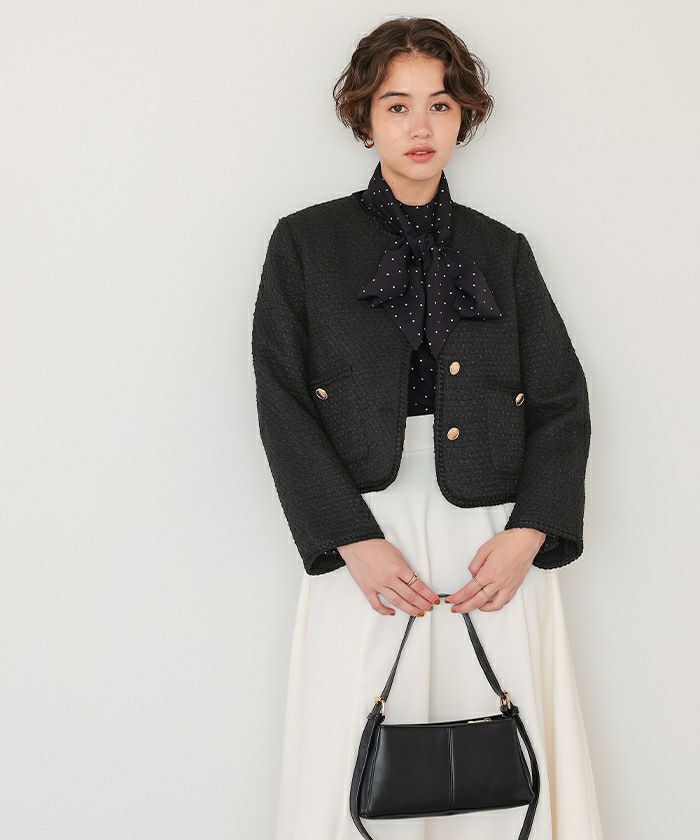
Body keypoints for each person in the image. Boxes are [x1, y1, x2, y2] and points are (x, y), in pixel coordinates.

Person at [251, 16, 605, 840]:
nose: (420, 126)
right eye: (397, 105)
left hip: (494, 538)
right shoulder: (304, 243)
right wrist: (349, 539)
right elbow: (281, 401)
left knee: (509, 748)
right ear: (364, 116)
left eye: (440, 105)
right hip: (362, 533)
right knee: (355, 739)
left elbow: (562, 401)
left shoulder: (501, 249)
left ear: (462, 117)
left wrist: (529, 535)